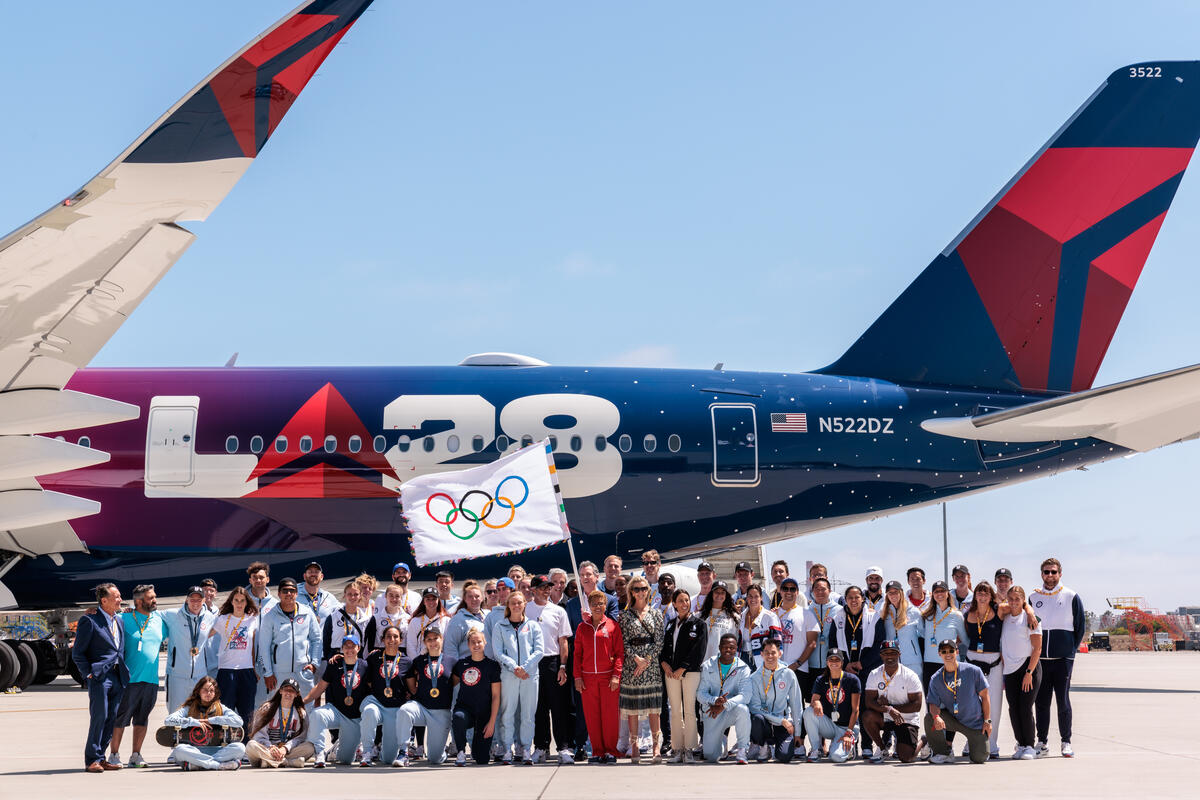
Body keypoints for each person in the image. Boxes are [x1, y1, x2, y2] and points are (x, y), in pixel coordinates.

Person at [1031, 557, 1085, 759]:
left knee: (1063, 701)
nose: (1050, 576)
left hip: (1063, 660)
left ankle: (1066, 741)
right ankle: (1042, 742)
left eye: (1054, 572)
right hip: (1041, 661)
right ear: (1041, 574)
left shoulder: (1071, 596)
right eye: (1046, 572)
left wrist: (1070, 650)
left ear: (1060, 574)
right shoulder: (1033, 597)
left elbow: (1080, 627)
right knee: (1041, 702)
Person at [73, 582, 129, 772]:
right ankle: (91, 760)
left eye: (120, 596)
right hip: (99, 676)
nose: (120, 599)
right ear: (104, 600)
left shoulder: (119, 620)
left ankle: (101, 757)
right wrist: (88, 673)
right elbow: (78, 653)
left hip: (117, 675)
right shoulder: (89, 620)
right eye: (117, 597)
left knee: (112, 718)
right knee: (100, 716)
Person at [108, 583, 165, 768]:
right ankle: (114, 754)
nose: (155, 600)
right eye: (151, 598)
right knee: (120, 719)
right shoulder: (123, 619)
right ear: (139, 601)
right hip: (128, 680)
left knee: (142, 719)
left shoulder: (159, 619)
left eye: (154, 596)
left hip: (151, 680)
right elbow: (104, 621)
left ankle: (136, 754)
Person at [564, 562, 617, 757]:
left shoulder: (609, 600)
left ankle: (605, 747)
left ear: (596, 577)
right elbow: (570, 637)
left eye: (588, 574)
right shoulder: (571, 604)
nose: (585, 578)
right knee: (582, 707)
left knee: (604, 709)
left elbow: (614, 627)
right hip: (583, 664)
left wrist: (593, 619)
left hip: (604, 665)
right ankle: (581, 745)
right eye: (581, 575)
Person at [526, 574, 574, 764]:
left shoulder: (558, 611)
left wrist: (563, 666)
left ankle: (562, 747)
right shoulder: (525, 609)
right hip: (532, 662)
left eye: (549, 587)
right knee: (539, 708)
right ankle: (540, 747)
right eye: (543, 587)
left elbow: (563, 641)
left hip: (553, 662)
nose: (547, 590)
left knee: (558, 707)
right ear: (533, 589)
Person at [493, 590, 545, 764]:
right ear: (508, 605)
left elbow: (539, 650)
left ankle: (525, 749)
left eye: (519, 602)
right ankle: (507, 748)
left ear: (524, 604)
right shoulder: (500, 626)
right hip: (509, 675)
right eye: (513, 603)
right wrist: (514, 667)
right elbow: (498, 652)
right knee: (507, 712)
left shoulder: (533, 626)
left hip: (530, 676)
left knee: (528, 715)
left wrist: (526, 667)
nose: (516, 606)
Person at [574, 589, 625, 764]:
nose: (597, 607)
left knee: (610, 716)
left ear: (605, 605)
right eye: (594, 604)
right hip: (588, 679)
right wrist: (577, 677)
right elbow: (577, 654)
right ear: (589, 606)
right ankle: (597, 751)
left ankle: (611, 750)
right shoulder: (582, 627)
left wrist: (616, 676)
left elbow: (619, 654)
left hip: (608, 678)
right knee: (592, 715)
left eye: (600, 603)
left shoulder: (612, 626)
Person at [618, 575, 665, 763]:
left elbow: (660, 641)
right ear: (631, 592)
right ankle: (634, 744)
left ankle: (655, 745)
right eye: (636, 589)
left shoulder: (656, 614)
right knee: (633, 708)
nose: (640, 592)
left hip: (651, 666)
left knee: (654, 708)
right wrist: (635, 658)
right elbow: (622, 641)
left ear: (648, 591)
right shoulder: (625, 615)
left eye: (643, 588)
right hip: (632, 665)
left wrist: (646, 660)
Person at [304, 634, 369, 767]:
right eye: (346, 646)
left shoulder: (365, 666)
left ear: (359, 648)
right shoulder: (334, 664)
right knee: (317, 714)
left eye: (353, 646)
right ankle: (320, 753)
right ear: (341, 649)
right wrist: (302, 701)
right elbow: (320, 687)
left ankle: (334, 751)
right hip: (336, 712)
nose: (349, 649)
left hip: (355, 718)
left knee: (346, 760)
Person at [395, 627, 457, 766]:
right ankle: (403, 752)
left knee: (435, 759)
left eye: (436, 638)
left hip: (441, 711)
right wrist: (416, 692)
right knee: (405, 710)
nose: (433, 642)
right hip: (422, 708)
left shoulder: (452, 661)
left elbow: (455, 681)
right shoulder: (418, 661)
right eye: (429, 639)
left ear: (442, 639)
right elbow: (411, 681)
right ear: (424, 642)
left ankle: (441, 752)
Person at [924, 638, 991, 764]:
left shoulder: (973, 671)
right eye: (944, 652)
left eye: (951, 650)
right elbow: (933, 703)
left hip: (975, 724)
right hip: (954, 720)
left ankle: (978, 746)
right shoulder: (936, 678)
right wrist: (936, 716)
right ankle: (944, 753)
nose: (948, 654)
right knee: (930, 718)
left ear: (957, 651)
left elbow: (985, 696)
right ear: (939, 654)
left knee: (979, 758)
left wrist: (987, 720)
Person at [206, 586, 260, 739]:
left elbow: (253, 646)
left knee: (247, 712)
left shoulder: (252, 620)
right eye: (236, 600)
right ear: (231, 601)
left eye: (242, 601)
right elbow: (205, 636)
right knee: (226, 710)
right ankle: (226, 742)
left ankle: (245, 744)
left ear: (246, 602)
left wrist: (254, 668)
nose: (239, 603)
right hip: (226, 671)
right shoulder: (223, 619)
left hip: (246, 671)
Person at [660, 588, 705, 763]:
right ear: (674, 604)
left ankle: (689, 749)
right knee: (676, 712)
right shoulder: (671, 624)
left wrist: (683, 668)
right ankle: (677, 749)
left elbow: (698, 650)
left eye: (686, 600)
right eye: (680, 601)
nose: (684, 603)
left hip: (690, 673)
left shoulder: (699, 624)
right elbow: (664, 648)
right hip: (670, 674)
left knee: (689, 711)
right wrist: (664, 664)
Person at [258, 577, 322, 698]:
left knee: (305, 711)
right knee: (278, 710)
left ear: (297, 593)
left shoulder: (307, 613)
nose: (288, 594)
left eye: (292, 591)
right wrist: (268, 673)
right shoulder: (270, 616)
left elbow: (317, 639)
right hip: (278, 674)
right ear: (279, 594)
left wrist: (314, 664)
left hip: (303, 671)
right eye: (285, 591)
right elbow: (264, 646)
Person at [164, 676, 245, 770]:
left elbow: (239, 721)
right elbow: (168, 720)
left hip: (218, 751)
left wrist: (211, 720)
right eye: (205, 690)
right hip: (194, 751)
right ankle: (218, 765)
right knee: (179, 750)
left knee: (240, 748)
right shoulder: (189, 708)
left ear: (215, 693)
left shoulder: (221, 708)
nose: (208, 693)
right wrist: (193, 722)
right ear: (198, 691)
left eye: (211, 690)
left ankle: (199, 765)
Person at [861, 640, 923, 763]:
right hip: (885, 717)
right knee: (867, 716)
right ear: (881, 655)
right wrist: (889, 709)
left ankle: (924, 741)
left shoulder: (910, 675)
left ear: (899, 654)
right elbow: (869, 702)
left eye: (893, 653)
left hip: (906, 719)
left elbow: (917, 706)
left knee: (906, 757)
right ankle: (882, 748)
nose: (890, 656)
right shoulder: (874, 674)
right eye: (886, 653)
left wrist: (891, 707)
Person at [358, 624, 411, 766]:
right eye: (388, 636)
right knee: (369, 711)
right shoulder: (374, 657)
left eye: (395, 637)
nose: (391, 640)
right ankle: (367, 752)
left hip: (395, 708)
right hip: (377, 703)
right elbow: (361, 671)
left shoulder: (407, 661)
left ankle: (384, 750)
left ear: (401, 640)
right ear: (382, 640)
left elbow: (411, 687)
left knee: (388, 758)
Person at [696, 633, 752, 764]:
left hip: (730, 710)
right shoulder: (707, 665)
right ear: (719, 647)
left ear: (736, 648)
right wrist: (714, 700)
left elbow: (746, 695)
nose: (728, 650)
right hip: (712, 712)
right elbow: (700, 694)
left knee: (743, 709)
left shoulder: (743, 668)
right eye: (725, 647)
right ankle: (722, 740)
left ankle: (743, 749)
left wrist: (725, 705)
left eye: (732, 647)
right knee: (710, 756)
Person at [1001, 585, 1043, 759]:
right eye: (1011, 599)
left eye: (1017, 599)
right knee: (1013, 709)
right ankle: (1020, 744)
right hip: (1010, 670)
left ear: (1023, 600)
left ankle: (1030, 746)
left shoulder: (1031, 618)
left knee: (1025, 708)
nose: (1014, 602)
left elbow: (1037, 648)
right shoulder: (1005, 617)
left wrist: (1028, 673)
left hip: (1028, 668)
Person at [964, 581, 1004, 758]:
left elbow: (1020, 604)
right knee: (972, 704)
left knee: (993, 704)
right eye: (979, 593)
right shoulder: (968, 614)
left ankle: (991, 743)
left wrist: (1030, 611)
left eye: (986, 593)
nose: (982, 596)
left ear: (991, 596)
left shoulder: (1000, 610)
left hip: (993, 662)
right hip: (972, 660)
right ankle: (970, 742)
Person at [748, 637, 803, 763]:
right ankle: (763, 746)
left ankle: (777, 747)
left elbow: (796, 703)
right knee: (756, 718)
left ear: (780, 653)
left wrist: (798, 733)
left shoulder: (788, 674)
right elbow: (755, 707)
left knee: (785, 757)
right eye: (766, 653)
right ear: (761, 654)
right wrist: (780, 720)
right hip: (765, 723)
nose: (770, 656)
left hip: (782, 725)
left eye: (773, 652)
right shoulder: (754, 677)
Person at [451, 629, 501, 766]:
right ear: (468, 645)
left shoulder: (492, 666)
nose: (476, 645)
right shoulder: (461, 664)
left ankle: (479, 750)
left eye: (479, 641)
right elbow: (450, 684)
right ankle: (461, 752)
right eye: (473, 642)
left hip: (484, 714)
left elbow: (496, 696)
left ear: (485, 643)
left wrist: (491, 723)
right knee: (458, 717)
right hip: (465, 709)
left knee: (482, 759)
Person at [164, 586, 218, 712]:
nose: (195, 603)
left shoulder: (210, 617)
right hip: (177, 676)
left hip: (200, 676)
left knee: (199, 713)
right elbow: (151, 614)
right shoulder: (173, 615)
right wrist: (130, 611)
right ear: (186, 600)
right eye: (192, 599)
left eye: (198, 600)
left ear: (204, 601)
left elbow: (225, 623)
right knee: (176, 713)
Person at [802, 649, 860, 763]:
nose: (834, 662)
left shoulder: (852, 680)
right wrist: (816, 702)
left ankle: (848, 747)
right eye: (831, 659)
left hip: (846, 727)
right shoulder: (821, 679)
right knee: (808, 712)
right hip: (830, 725)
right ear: (827, 662)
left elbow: (855, 710)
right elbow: (814, 701)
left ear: (842, 662)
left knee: (836, 757)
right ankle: (815, 749)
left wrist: (848, 732)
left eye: (837, 659)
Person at [246, 678, 315, 767]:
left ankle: (268, 762)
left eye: (292, 691)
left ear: (297, 694)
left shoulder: (301, 713)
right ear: (280, 691)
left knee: (310, 747)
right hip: (266, 749)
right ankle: (288, 762)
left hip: (285, 751)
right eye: (286, 689)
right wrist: (270, 747)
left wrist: (285, 748)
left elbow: (300, 738)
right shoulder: (267, 708)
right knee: (251, 745)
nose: (288, 693)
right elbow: (259, 734)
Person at [830, 585, 885, 684]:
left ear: (863, 599)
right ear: (845, 599)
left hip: (869, 669)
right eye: (850, 598)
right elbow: (833, 643)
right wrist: (845, 664)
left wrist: (862, 663)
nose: (853, 600)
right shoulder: (837, 618)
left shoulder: (874, 617)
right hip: (845, 670)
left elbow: (879, 643)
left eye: (857, 597)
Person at [920, 580, 968, 688]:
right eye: (936, 592)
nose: (939, 594)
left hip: (950, 663)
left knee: (951, 701)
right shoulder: (926, 615)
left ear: (947, 593)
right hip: (930, 663)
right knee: (931, 701)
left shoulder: (956, 615)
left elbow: (965, 640)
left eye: (942, 591)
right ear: (933, 595)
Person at [881, 580, 924, 676]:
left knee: (916, 690)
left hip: (912, 661)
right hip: (892, 661)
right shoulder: (884, 613)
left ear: (901, 593)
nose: (893, 595)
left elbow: (923, 633)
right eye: (890, 593)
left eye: (896, 592)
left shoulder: (914, 612)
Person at [322, 580, 371, 662]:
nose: (352, 597)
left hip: (356, 658)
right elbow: (326, 641)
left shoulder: (365, 619)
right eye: (349, 594)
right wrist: (329, 658)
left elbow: (365, 643)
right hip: (336, 658)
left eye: (356, 594)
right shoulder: (333, 616)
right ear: (345, 595)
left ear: (360, 595)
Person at [739, 584, 781, 669]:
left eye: (756, 596)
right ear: (746, 598)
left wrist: (773, 663)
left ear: (761, 598)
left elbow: (778, 643)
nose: (753, 599)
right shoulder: (741, 617)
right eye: (750, 596)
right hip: (742, 659)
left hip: (762, 659)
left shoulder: (770, 617)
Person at [366, 582, 415, 652]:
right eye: (391, 595)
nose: (394, 599)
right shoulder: (376, 618)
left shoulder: (407, 618)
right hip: (381, 654)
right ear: (386, 596)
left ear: (401, 598)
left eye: (397, 596)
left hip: (401, 655)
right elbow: (370, 642)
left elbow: (410, 642)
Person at [443, 581, 487, 660]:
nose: (474, 599)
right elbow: (450, 646)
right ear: (465, 599)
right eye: (470, 596)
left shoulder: (488, 615)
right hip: (466, 667)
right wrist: (455, 668)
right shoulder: (458, 619)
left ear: (482, 598)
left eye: (477, 596)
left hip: (486, 665)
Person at [698, 580, 740, 661]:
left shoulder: (734, 617)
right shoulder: (700, 615)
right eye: (717, 592)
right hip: (703, 662)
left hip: (725, 661)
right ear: (712, 594)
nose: (719, 595)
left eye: (722, 592)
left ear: (726, 595)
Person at [406, 587, 450, 658]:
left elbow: (448, 644)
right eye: (428, 599)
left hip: (440, 661)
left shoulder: (447, 620)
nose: (431, 602)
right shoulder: (415, 621)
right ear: (423, 601)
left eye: (434, 599)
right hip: (421, 662)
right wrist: (416, 663)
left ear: (438, 600)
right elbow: (411, 645)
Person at [484, 577, 516, 658]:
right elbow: (488, 643)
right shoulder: (491, 616)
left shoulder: (523, 611)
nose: (501, 593)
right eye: (498, 590)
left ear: (512, 590)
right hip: (499, 665)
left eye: (504, 589)